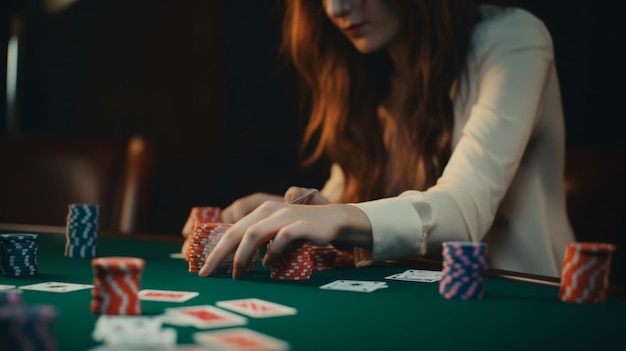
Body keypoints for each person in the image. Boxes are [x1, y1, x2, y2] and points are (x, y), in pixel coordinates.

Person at [188, 0, 576, 280]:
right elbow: (346, 207)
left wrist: (332, 216)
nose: (336, 8)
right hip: (419, 302)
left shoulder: (514, 39)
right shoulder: (372, 70)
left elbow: (463, 212)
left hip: (525, 300)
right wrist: (277, 214)